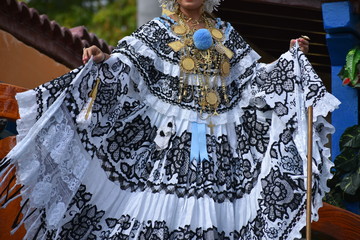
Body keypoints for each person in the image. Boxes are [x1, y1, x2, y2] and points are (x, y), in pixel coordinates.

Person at [0, 0, 340, 239]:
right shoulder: (157, 29)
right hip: (166, 155)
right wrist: (101, 56)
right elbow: (125, 66)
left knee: (218, 223)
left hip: (218, 158)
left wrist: (291, 59)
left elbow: (255, 82)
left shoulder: (227, 34)